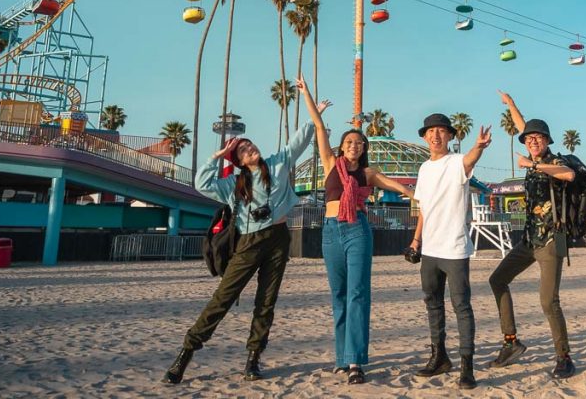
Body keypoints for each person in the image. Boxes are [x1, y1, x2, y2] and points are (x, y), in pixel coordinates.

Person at [162, 82, 325, 385]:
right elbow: (201, 183)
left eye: (250, 145)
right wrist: (219, 154)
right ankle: (185, 354)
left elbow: (304, 135)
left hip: (278, 240)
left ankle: (253, 359)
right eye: (244, 150)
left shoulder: (277, 163)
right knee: (222, 299)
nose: (251, 149)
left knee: (266, 301)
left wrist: (309, 100)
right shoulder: (232, 185)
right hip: (248, 243)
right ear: (237, 161)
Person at [298, 78, 415, 385]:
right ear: (343, 146)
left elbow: (395, 185)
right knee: (338, 295)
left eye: (359, 143)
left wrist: (417, 196)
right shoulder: (330, 165)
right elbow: (319, 128)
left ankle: (354, 362)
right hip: (331, 232)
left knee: (358, 294)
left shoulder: (367, 173)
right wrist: (307, 94)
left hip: (357, 231)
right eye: (349, 142)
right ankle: (342, 357)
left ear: (364, 148)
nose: (353, 146)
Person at [488, 91, 577, 379]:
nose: (532, 141)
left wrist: (533, 165)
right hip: (528, 239)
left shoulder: (556, 161)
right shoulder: (531, 150)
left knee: (548, 301)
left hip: (552, 240)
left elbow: (568, 176)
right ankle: (511, 342)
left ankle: (564, 357)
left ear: (548, 141)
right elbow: (522, 127)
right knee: (497, 279)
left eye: (538, 138)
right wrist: (512, 104)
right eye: (528, 139)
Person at [408, 113, 491, 389]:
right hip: (429, 250)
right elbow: (423, 209)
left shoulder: (457, 163)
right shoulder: (423, 169)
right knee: (432, 303)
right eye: (430, 131)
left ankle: (467, 366)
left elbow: (470, 160)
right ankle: (439, 357)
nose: (435, 136)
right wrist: (416, 242)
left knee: (461, 306)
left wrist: (478, 146)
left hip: (454, 249)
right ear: (424, 137)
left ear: (450, 136)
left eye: (441, 131)